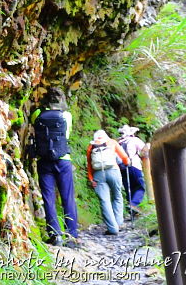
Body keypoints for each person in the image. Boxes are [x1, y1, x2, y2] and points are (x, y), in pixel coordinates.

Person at [29, 87, 79, 248]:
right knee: (67, 198)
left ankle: (55, 234)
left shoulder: (37, 114)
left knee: (48, 198)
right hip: (63, 160)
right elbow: (67, 135)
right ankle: (71, 236)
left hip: (44, 161)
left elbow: (33, 126)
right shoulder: (66, 116)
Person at [87, 129, 129, 235]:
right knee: (117, 196)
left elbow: (89, 165)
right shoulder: (112, 142)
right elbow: (124, 157)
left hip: (98, 174)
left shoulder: (91, 147)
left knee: (104, 201)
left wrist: (91, 179)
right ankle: (118, 223)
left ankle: (112, 229)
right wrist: (127, 162)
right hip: (113, 171)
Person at [118, 125, 149, 216]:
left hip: (122, 168)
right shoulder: (134, 140)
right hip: (134, 166)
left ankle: (132, 212)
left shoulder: (119, 142)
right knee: (140, 187)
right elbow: (144, 150)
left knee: (129, 189)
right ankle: (133, 204)